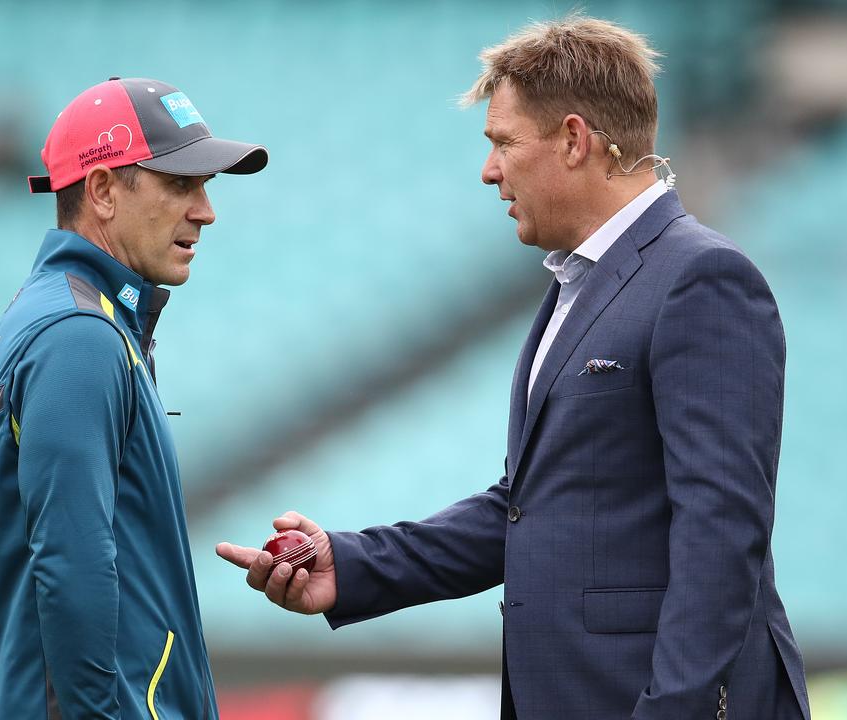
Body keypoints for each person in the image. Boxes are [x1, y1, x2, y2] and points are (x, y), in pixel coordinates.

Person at [216, 16, 810, 720]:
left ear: (572, 139)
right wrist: (352, 565)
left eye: (502, 143)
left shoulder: (701, 278)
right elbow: (529, 509)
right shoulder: (579, 284)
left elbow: (721, 528)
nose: (488, 169)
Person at [0, 77, 266, 720]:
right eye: (181, 183)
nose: (206, 210)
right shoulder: (79, 337)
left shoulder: (63, 319)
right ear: (101, 190)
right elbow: (72, 565)